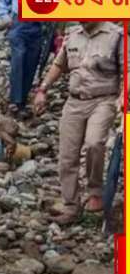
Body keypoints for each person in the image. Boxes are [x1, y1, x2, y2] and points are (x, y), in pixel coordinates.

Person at [34, 22, 124, 225]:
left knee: (94, 143)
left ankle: (95, 192)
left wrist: (123, 96)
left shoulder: (116, 36)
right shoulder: (72, 34)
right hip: (74, 101)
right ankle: (70, 206)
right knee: (67, 155)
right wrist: (43, 89)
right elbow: (59, 65)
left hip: (103, 99)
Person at [0, 0, 44, 119]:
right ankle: (14, 101)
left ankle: (21, 100)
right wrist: (4, 16)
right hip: (19, 24)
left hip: (37, 26)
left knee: (31, 63)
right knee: (19, 58)